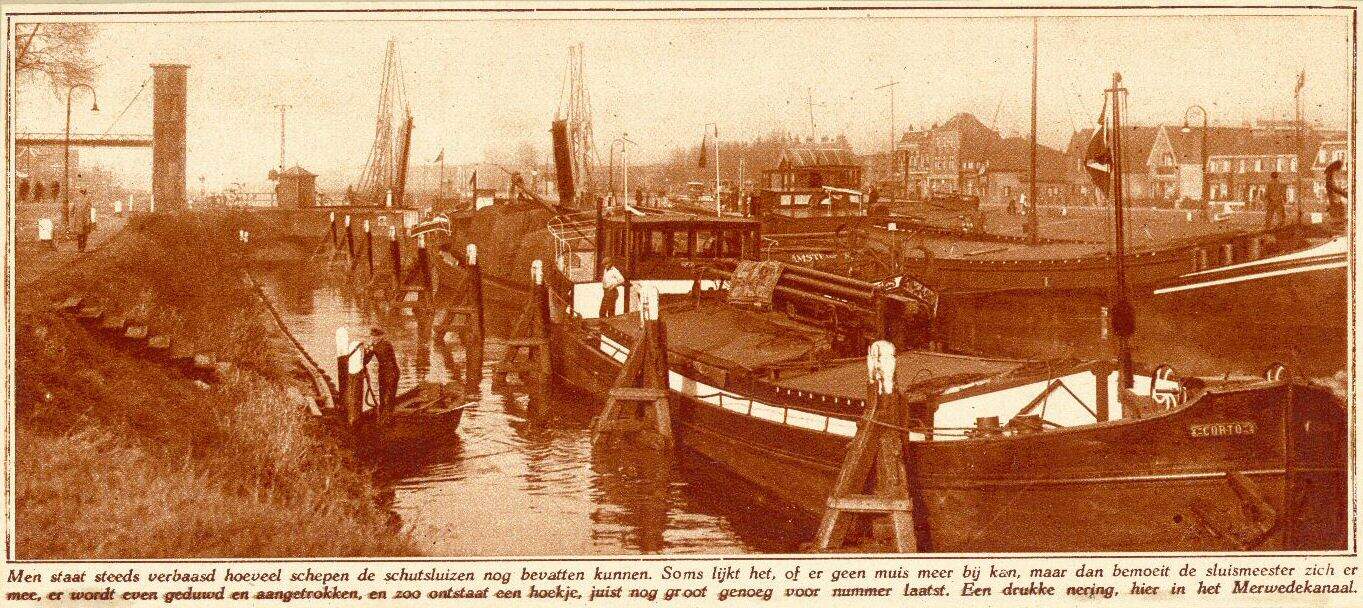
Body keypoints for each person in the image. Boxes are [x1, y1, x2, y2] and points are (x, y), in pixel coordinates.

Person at [364, 327, 400, 424]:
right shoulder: (375, 345)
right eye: (372, 336)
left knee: (389, 397)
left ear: (380, 336)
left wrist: (371, 348)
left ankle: (388, 419)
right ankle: (382, 419)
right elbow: (366, 360)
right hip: (383, 373)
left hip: (391, 373)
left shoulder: (386, 344)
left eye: (375, 337)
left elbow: (382, 353)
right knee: (382, 397)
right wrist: (365, 352)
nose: (373, 338)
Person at [72, 188, 94, 252]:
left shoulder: (76, 200)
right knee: (85, 234)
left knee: (79, 234)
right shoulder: (88, 200)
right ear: (85, 192)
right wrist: (89, 219)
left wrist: (74, 215)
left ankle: (79, 247)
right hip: (86, 219)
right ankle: (83, 247)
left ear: (80, 192)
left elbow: (72, 210)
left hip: (78, 219)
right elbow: (89, 210)